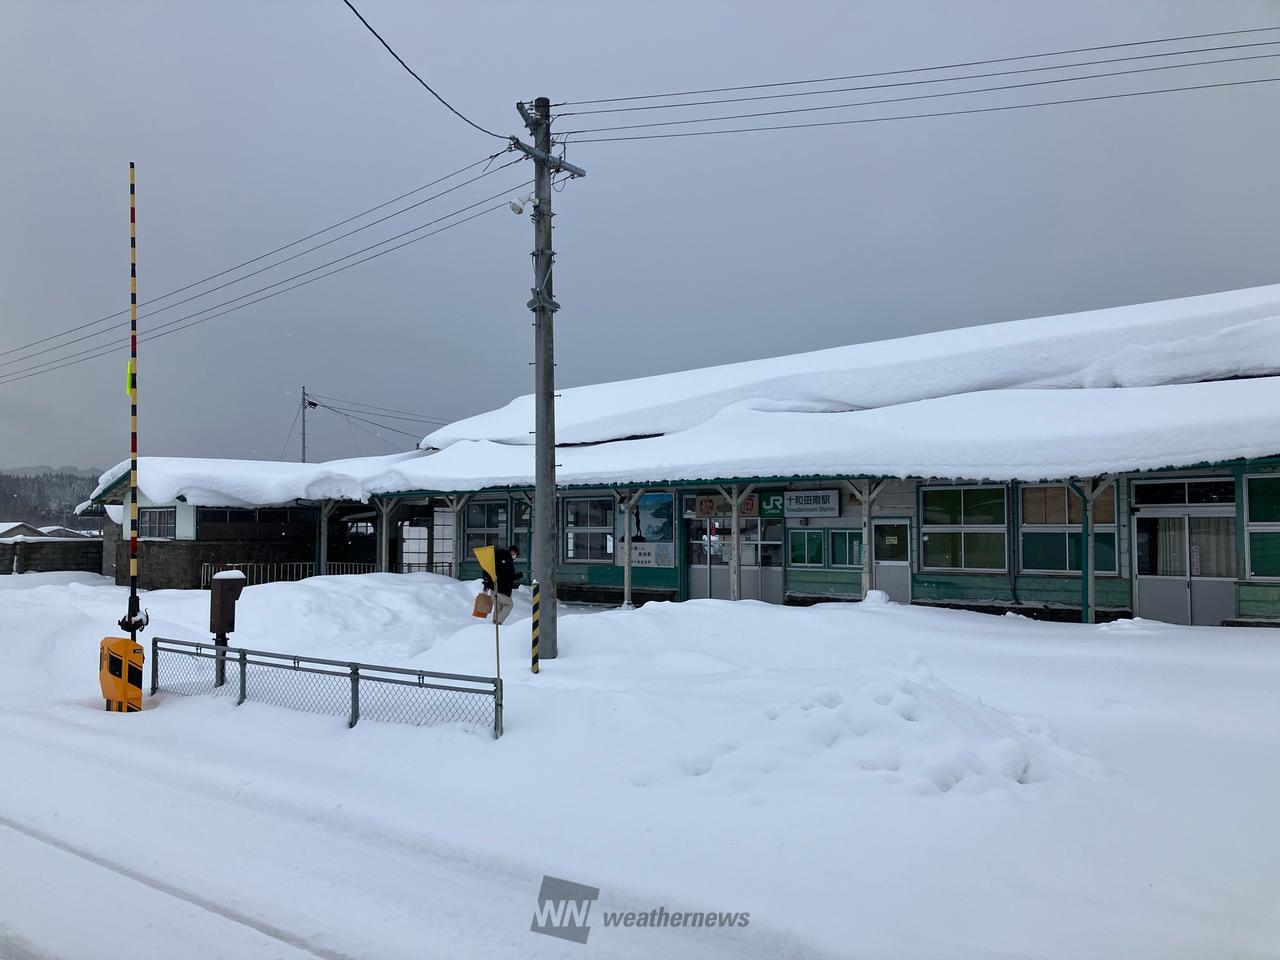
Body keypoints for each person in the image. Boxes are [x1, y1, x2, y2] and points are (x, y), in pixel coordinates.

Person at [482, 544, 521, 625]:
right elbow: (510, 576)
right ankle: (498, 622)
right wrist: (520, 575)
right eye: (515, 554)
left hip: (493, 588)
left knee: (498, 608)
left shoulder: (496, 558)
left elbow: (488, 571)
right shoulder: (507, 561)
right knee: (509, 605)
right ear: (512, 552)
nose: (515, 556)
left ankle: (493, 625)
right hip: (502, 590)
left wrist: (486, 584)